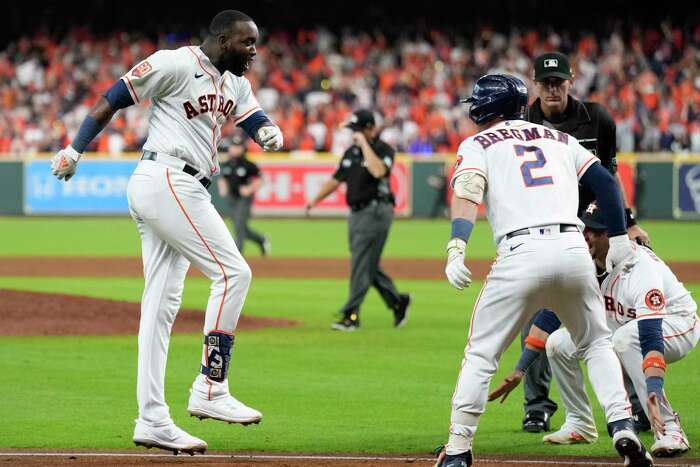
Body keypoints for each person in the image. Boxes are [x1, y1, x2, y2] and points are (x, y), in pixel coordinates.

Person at [50, 10, 283, 455]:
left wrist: (267, 131)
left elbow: (253, 118)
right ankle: (211, 387)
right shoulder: (175, 63)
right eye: (246, 42)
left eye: (255, 43)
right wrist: (74, 148)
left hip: (179, 185)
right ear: (219, 39)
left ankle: (152, 419)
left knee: (159, 308)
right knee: (234, 274)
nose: (254, 50)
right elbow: (114, 96)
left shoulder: (235, 82)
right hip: (168, 178)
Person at [434, 74, 654, 467]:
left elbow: (467, 195)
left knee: (482, 354)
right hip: (573, 249)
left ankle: (457, 449)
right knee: (596, 343)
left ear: (488, 106)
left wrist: (456, 247)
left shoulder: (476, 144)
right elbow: (604, 181)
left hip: (520, 252)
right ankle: (622, 424)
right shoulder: (561, 139)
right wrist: (619, 238)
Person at [495, 203, 698, 458]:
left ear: (614, 235)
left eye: (596, 230)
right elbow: (549, 317)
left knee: (627, 339)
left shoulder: (639, 268)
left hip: (676, 323)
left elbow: (650, 338)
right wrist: (519, 370)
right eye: (586, 228)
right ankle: (579, 422)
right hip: (625, 324)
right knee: (558, 344)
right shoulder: (585, 263)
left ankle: (670, 430)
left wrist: (654, 388)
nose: (586, 235)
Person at [520, 51, 651, 433]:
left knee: (613, 313)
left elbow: (610, 178)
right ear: (535, 83)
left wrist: (626, 223)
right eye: (545, 82)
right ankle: (537, 406)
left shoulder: (598, 119)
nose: (552, 88)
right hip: (543, 229)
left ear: (571, 79)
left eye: (558, 81)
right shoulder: (522, 121)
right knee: (537, 311)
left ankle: (635, 405)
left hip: (592, 228)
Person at [305, 109, 411, 331]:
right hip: (356, 213)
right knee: (367, 264)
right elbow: (336, 179)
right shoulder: (351, 152)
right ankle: (397, 301)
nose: (353, 134)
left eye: (357, 130)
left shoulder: (383, 149)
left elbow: (379, 170)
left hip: (376, 210)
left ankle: (351, 315)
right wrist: (314, 200)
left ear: (370, 129)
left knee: (360, 263)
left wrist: (364, 144)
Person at [218, 134, 270, 256]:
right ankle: (261, 239)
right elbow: (223, 178)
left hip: (244, 199)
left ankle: (237, 254)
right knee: (240, 227)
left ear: (242, 148)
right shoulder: (228, 163)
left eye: (237, 146)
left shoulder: (248, 164)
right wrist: (223, 189)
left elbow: (260, 179)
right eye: (233, 146)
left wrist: (249, 188)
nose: (234, 149)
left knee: (239, 226)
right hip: (232, 198)